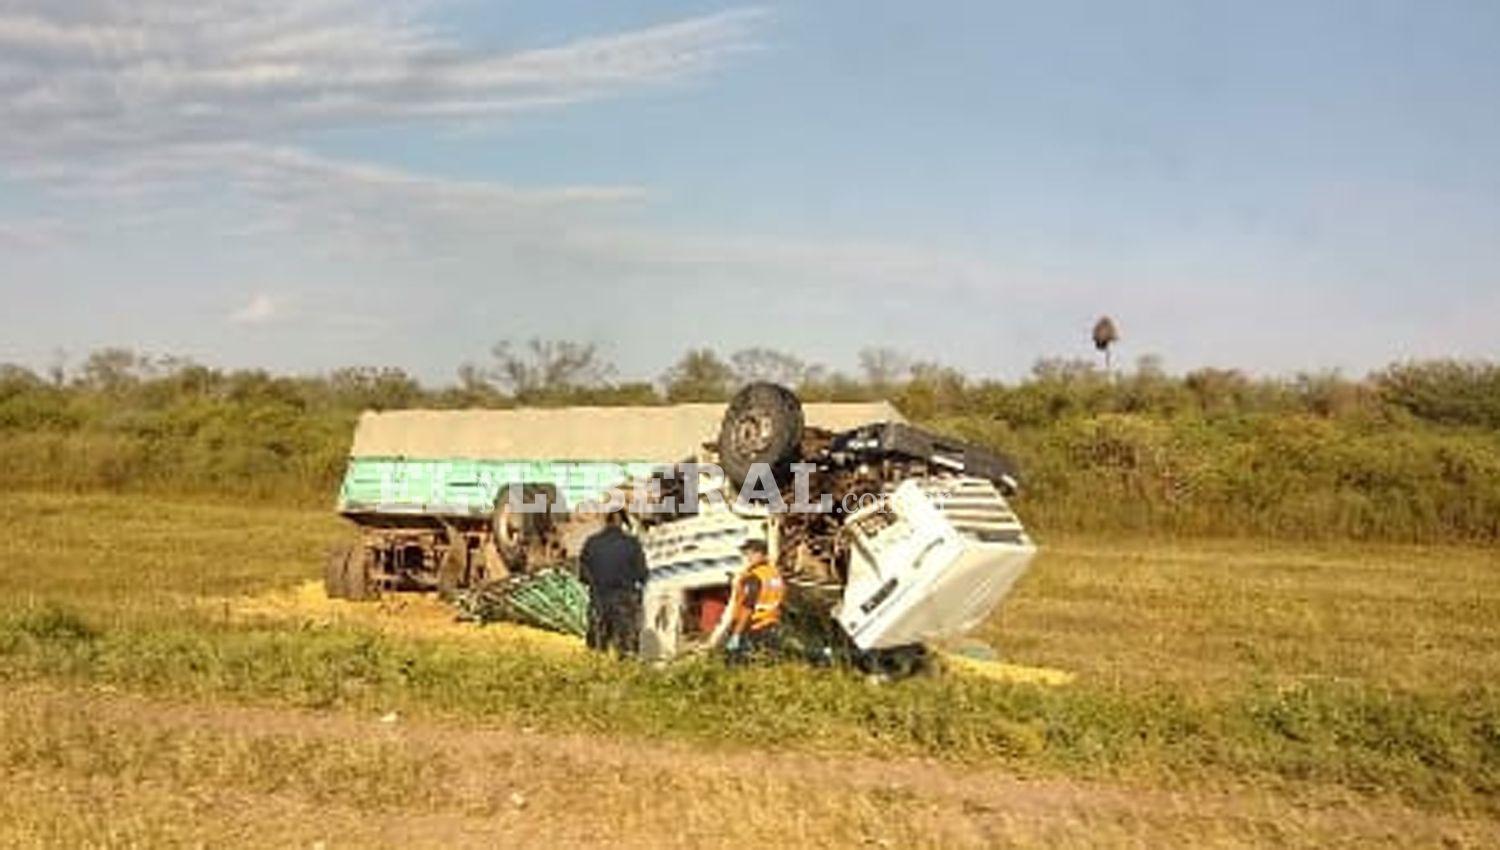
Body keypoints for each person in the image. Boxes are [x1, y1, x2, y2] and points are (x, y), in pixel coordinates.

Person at [578, 509, 648, 656]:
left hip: (598, 601)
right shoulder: (632, 543)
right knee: (627, 652)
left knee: (596, 652)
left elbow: (583, 576)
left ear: (606, 521)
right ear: (621, 522)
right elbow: (642, 575)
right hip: (624, 603)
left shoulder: (591, 543)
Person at [724, 538, 785, 662]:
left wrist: (737, 633)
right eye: (746, 554)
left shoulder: (754, 577)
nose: (747, 557)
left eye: (750, 553)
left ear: (760, 554)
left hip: (754, 628)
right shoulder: (774, 574)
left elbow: (748, 606)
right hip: (773, 626)